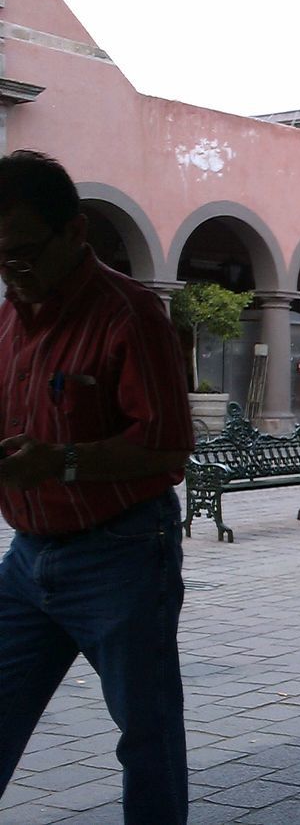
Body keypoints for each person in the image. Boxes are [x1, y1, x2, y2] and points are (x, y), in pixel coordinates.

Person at [0, 151, 194, 822]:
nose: (11, 271)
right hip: (28, 559)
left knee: (147, 737)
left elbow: (168, 446)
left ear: (75, 232)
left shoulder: (129, 315)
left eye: (23, 252)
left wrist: (60, 462)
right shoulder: (8, 321)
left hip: (122, 552)